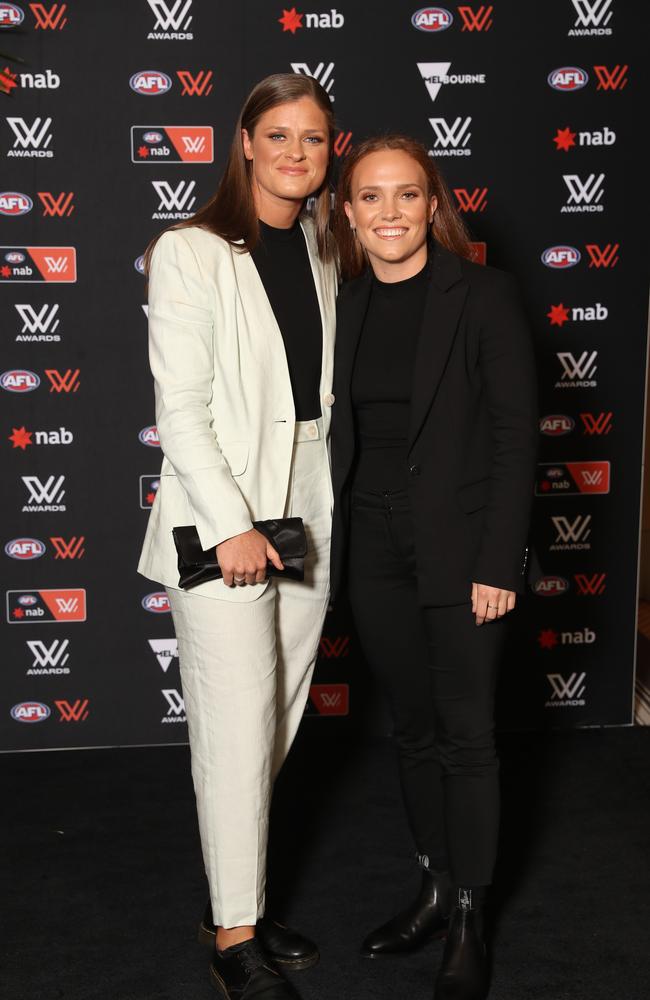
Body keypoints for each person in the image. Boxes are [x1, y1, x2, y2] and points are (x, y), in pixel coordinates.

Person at [138, 73, 337, 1000]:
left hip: (312, 495)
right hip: (227, 506)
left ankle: (240, 898)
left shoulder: (328, 249)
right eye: (281, 135)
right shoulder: (193, 250)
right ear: (245, 142)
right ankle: (233, 938)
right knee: (233, 725)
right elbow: (179, 411)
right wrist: (232, 525)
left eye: (315, 138)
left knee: (276, 719)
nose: (300, 153)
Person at [329, 135, 537, 1000]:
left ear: (432, 203)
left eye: (405, 195)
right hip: (372, 546)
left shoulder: (482, 295)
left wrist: (497, 560)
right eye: (370, 198)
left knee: (466, 735)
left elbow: (514, 434)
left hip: (460, 549)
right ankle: (434, 883)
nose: (388, 213)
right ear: (347, 212)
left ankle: (469, 919)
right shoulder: (345, 301)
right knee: (410, 728)